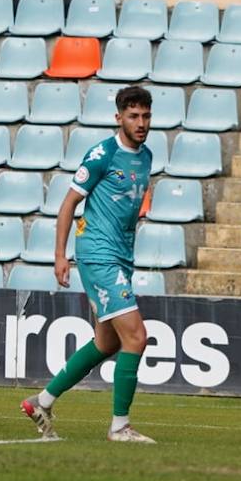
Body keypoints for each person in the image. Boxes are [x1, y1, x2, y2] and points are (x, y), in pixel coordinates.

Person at [21, 85, 156, 443]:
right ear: (119, 118)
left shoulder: (147, 157)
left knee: (107, 343)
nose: (140, 123)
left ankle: (43, 401)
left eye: (145, 116)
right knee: (137, 337)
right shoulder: (101, 154)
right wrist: (60, 255)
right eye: (133, 116)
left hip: (121, 256)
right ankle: (119, 427)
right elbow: (68, 205)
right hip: (98, 253)